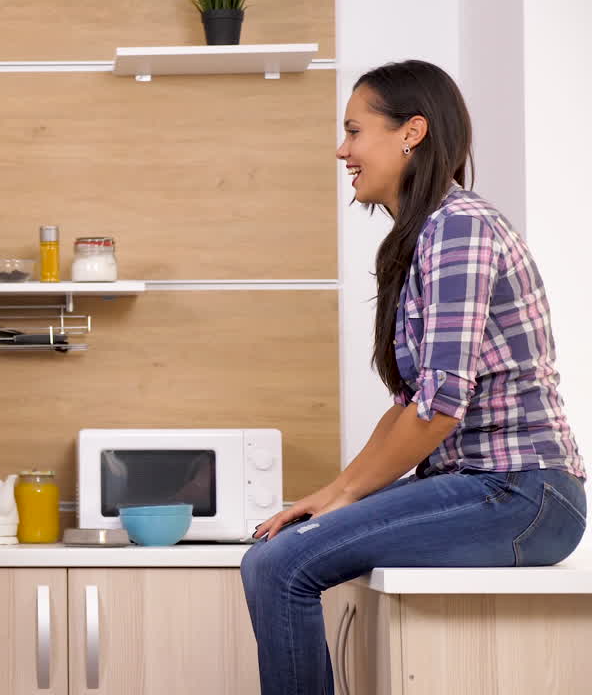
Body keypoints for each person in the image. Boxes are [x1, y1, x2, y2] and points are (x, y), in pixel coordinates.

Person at [240, 59, 586, 694]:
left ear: (411, 132)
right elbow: (413, 401)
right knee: (272, 555)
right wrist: (337, 488)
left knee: (282, 562)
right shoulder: (423, 236)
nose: (341, 150)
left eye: (354, 131)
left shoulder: (459, 229)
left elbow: (442, 407)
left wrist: (344, 497)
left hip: (523, 494)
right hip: (483, 489)